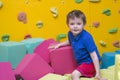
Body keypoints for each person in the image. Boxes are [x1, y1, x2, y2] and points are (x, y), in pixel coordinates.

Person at [49, 10, 107, 80]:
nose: (75, 26)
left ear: (84, 24)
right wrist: (60, 45)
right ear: (68, 24)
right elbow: (70, 41)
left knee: (74, 74)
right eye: (72, 24)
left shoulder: (86, 38)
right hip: (81, 62)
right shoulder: (70, 34)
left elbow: (94, 56)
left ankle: (94, 73)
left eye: (79, 24)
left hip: (90, 62)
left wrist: (98, 73)